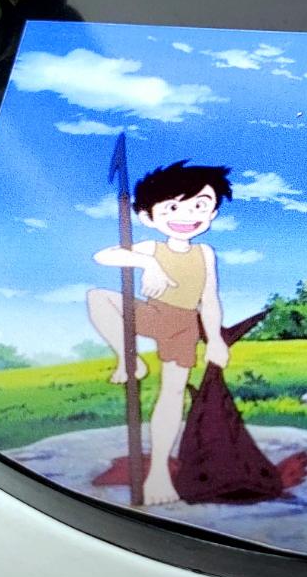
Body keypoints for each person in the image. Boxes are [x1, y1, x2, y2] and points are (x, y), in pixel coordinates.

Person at [86, 160, 231, 506]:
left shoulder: (204, 253)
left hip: (184, 324)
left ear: (212, 213)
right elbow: (103, 256)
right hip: (153, 313)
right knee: (98, 298)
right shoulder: (153, 248)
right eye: (173, 207)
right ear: (148, 217)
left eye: (200, 205)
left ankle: (160, 473)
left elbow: (210, 299)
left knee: (173, 393)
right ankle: (128, 359)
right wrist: (147, 263)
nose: (188, 215)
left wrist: (215, 340)